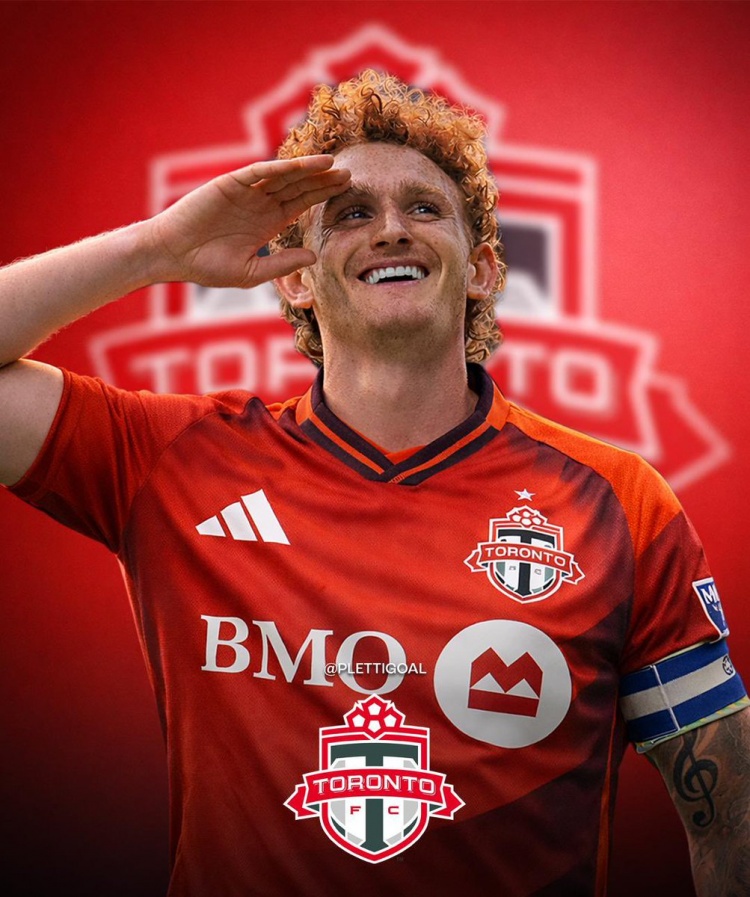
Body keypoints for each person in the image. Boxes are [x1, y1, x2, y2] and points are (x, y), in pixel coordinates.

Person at [0, 70, 748, 896]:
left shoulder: (620, 502)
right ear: (294, 277)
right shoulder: (175, 459)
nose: (391, 230)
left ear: (483, 269)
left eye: (423, 208)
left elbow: (731, 819)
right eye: (352, 214)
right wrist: (158, 251)